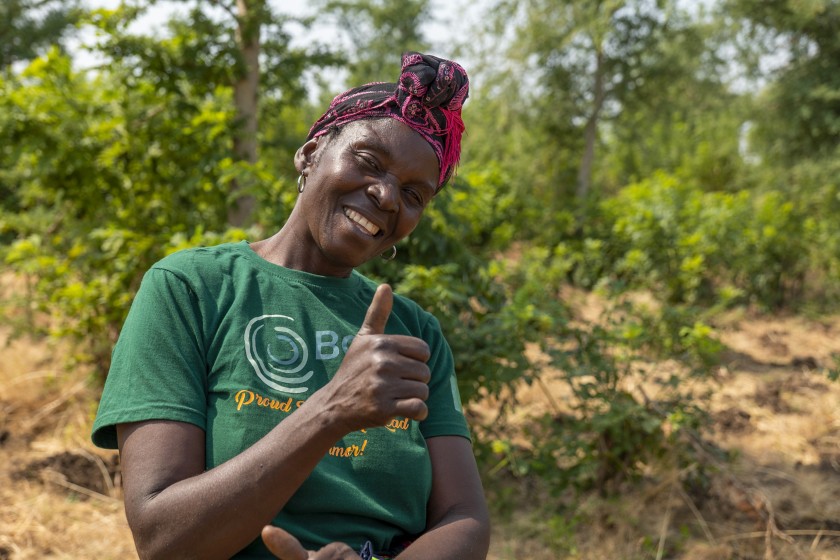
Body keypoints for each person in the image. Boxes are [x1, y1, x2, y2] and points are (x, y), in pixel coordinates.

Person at [91, 51, 490, 560]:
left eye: (414, 195)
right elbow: (163, 538)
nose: (388, 197)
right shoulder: (192, 287)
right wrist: (331, 410)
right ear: (309, 154)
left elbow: (466, 518)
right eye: (369, 162)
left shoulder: (415, 331)